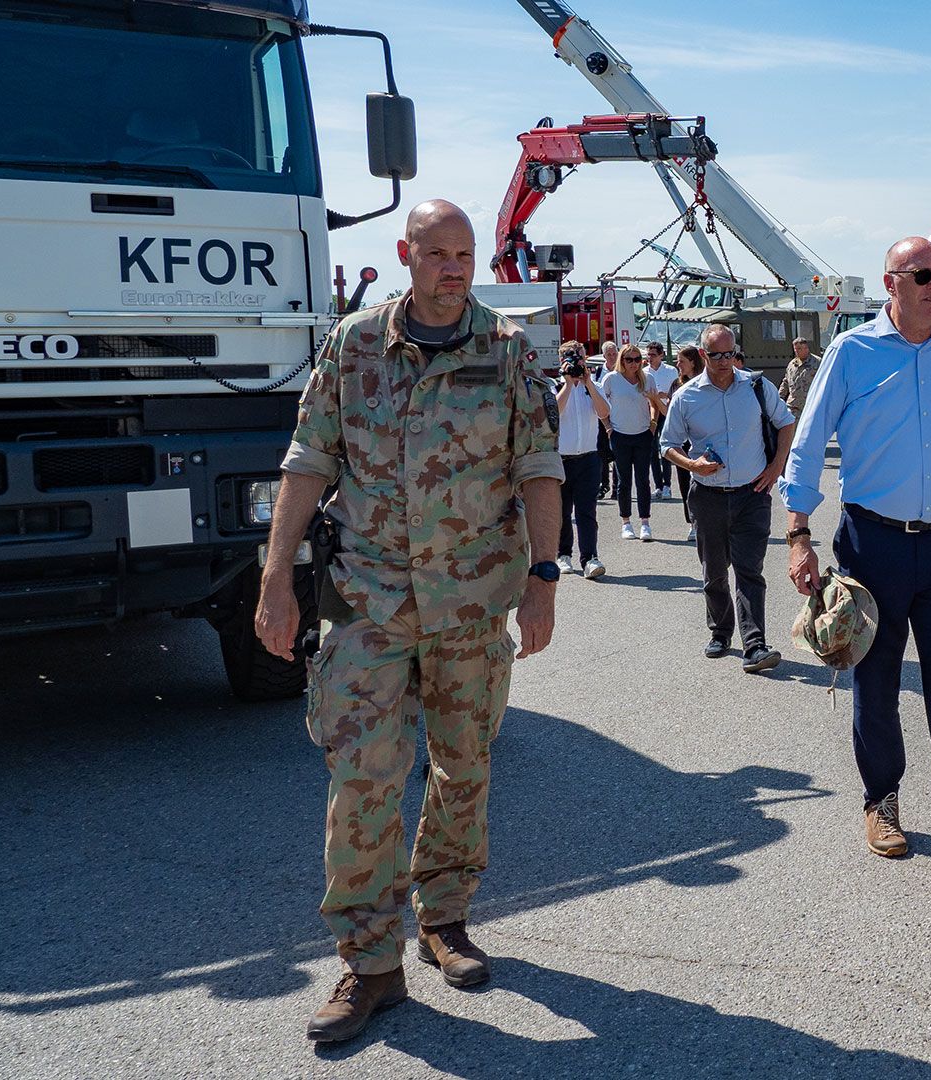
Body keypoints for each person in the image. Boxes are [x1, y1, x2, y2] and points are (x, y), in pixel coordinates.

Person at [254, 199, 564, 1043]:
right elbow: (308, 460)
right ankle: (370, 963)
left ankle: (445, 917)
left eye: (465, 255)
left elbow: (539, 465)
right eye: (437, 255)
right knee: (363, 780)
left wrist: (544, 577)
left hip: (470, 606)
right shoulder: (354, 343)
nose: (454, 269)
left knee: (464, 769)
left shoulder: (504, 350)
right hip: (368, 605)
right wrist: (276, 576)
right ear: (406, 255)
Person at [782, 236, 931, 885]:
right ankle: (881, 801)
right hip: (873, 542)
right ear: (891, 283)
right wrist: (799, 534)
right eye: (922, 274)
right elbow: (806, 447)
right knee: (878, 683)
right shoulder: (850, 352)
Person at [660, 326, 794, 674]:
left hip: (753, 493)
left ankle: (755, 645)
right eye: (717, 355)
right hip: (708, 497)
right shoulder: (686, 397)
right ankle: (720, 632)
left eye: (730, 354)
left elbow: (786, 423)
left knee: (751, 570)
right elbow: (667, 444)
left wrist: (777, 465)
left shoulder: (756, 387)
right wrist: (692, 465)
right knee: (714, 572)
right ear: (702, 355)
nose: (725, 362)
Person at [555, 340, 611, 578]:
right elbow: (553, 414)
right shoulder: (553, 386)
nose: (577, 361)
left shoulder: (593, 385)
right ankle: (563, 554)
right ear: (561, 361)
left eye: (580, 357)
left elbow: (604, 413)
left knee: (587, 512)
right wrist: (568, 384)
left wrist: (587, 382)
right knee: (562, 511)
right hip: (561, 459)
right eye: (571, 357)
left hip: (588, 458)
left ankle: (590, 558)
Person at [598, 342, 658, 541]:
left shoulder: (647, 379)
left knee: (643, 480)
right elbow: (601, 406)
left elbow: (654, 403)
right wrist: (608, 427)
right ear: (622, 360)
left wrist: (653, 424)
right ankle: (626, 522)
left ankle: (645, 522)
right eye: (629, 359)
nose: (634, 364)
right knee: (624, 481)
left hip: (642, 434)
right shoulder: (611, 379)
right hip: (620, 435)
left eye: (637, 359)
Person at [670, 345, 704, 541]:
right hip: (681, 443)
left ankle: (707, 520)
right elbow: (669, 413)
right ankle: (692, 522)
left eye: (681, 361)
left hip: (700, 441)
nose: (678, 365)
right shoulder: (676, 384)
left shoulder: (704, 383)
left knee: (702, 484)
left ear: (692, 362)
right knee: (685, 485)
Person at [642, 342, 680, 498]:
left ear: (661, 355)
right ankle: (657, 485)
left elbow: (677, 391)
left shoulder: (671, 371)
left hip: (666, 412)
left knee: (665, 448)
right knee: (651, 449)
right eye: (648, 354)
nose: (650, 358)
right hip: (650, 412)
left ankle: (667, 485)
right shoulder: (643, 372)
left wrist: (665, 396)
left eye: (653, 355)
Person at [779, 336, 818, 416]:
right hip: (793, 407)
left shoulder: (818, 363)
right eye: (795, 349)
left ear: (806, 348)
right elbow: (786, 382)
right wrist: (779, 398)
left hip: (810, 406)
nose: (796, 351)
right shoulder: (792, 364)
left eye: (799, 349)